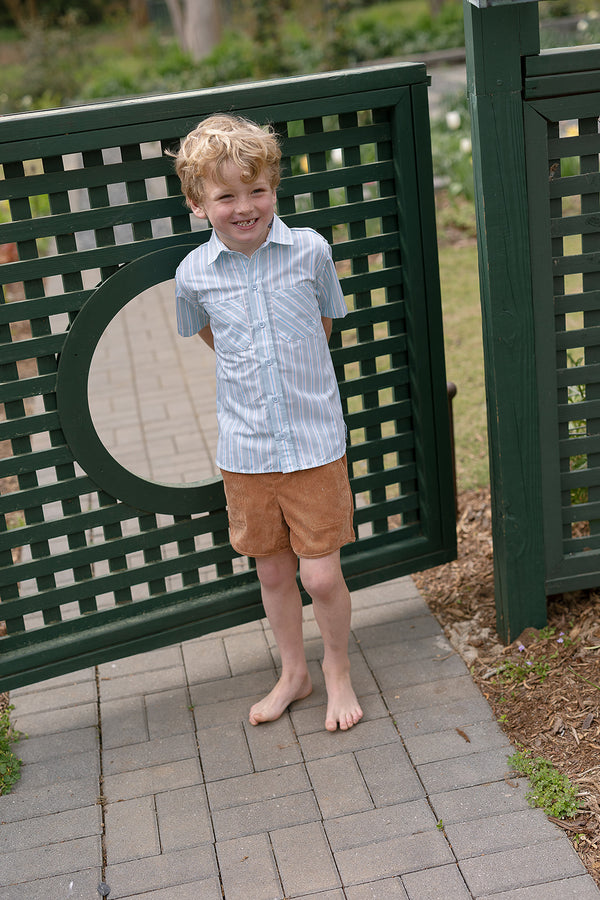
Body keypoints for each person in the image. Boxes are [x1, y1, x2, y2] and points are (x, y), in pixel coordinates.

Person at [170, 114, 363, 732]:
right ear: (199, 204)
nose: (244, 206)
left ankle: (336, 669)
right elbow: (207, 333)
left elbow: (325, 324)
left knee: (321, 574)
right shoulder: (193, 274)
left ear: (273, 187)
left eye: (256, 190)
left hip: (313, 446)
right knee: (274, 570)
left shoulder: (310, 251)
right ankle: (293, 673)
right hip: (247, 452)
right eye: (226, 195)